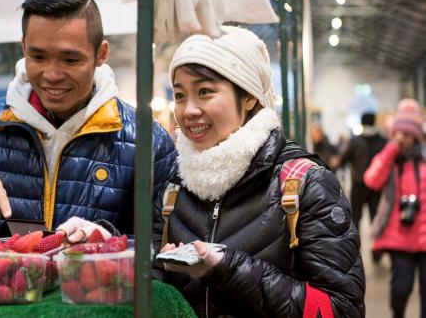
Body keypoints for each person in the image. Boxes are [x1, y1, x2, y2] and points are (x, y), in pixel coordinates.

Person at [0, 0, 177, 243]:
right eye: (38, 57)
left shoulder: (144, 138)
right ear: (24, 48)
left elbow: (161, 243)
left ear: (101, 54)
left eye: (71, 60)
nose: (52, 75)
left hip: (96, 292)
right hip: (6, 292)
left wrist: (105, 242)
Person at [153, 26, 365, 318]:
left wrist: (227, 267)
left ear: (250, 97)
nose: (188, 110)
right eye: (179, 95)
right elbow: (153, 279)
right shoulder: (174, 187)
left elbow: (340, 309)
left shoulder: (303, 184)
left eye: (204, 92)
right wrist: (108, 243)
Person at [364, 98, 426, 318]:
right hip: (400, 236)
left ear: (417, 134)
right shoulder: (390, 159)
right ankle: (397, 313)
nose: (404, 138)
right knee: (401, 288)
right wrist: (391, 149)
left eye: (408, 134)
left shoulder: (423, 159)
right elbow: (371, 180)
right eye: (400, 133)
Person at [337, 113, 387, 237]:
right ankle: (377, 251)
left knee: (355, 218)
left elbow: (343, 159)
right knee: (375, 216)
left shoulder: (355, 141)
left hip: (358, 184)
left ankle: (355, 247)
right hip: (377, 185)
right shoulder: (383, 141)